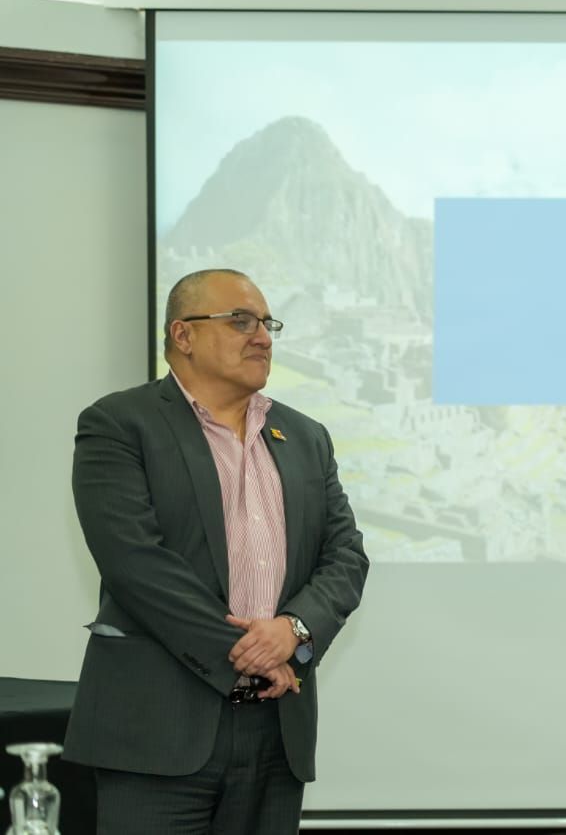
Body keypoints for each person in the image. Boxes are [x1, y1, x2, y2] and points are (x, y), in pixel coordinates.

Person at [64, 268, 369, 834]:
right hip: (157, 733)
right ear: (183, 334)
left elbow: (345, 555)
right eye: (241, 322)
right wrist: (254, 653)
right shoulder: (120, 424)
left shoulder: (306, 436)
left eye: (268, 324)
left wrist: (294, 630)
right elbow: (137, 564)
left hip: (277, 734)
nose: (263, 337)